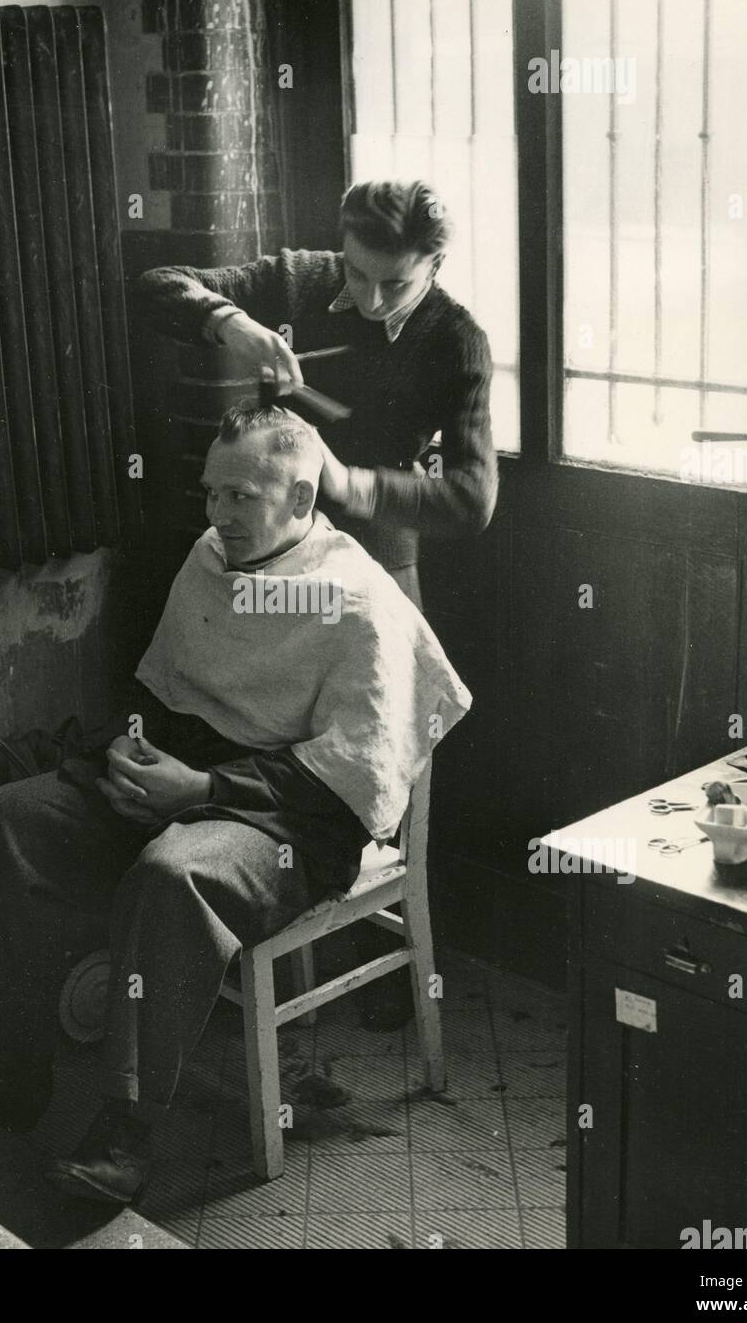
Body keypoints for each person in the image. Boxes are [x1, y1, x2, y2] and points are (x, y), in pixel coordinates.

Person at [0, 405, 471, 1205]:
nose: (217, 514)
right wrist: (131, 749)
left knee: (170, 873)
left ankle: (126, 1135)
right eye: (211, 492)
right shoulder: (211, 558)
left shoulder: (358, 601)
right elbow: (171, 694)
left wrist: (206, 792)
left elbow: (349, 789)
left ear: (299, 499)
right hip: (195, 779)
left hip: (290, 823)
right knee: (13, 817)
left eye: (241, 497)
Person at [136, 178, 496, 1026]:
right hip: (266, 555)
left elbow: (473, 499)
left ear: (436, 266)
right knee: (261, 737)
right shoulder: (299, 280)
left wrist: (350, 484)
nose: (368, 301)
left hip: (369, 571)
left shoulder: (457, 341)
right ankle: (253, 913)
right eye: (359, 274)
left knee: (363, 760)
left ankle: (365, 938)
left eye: (394, 284)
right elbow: (154, 288)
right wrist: (227, 320)